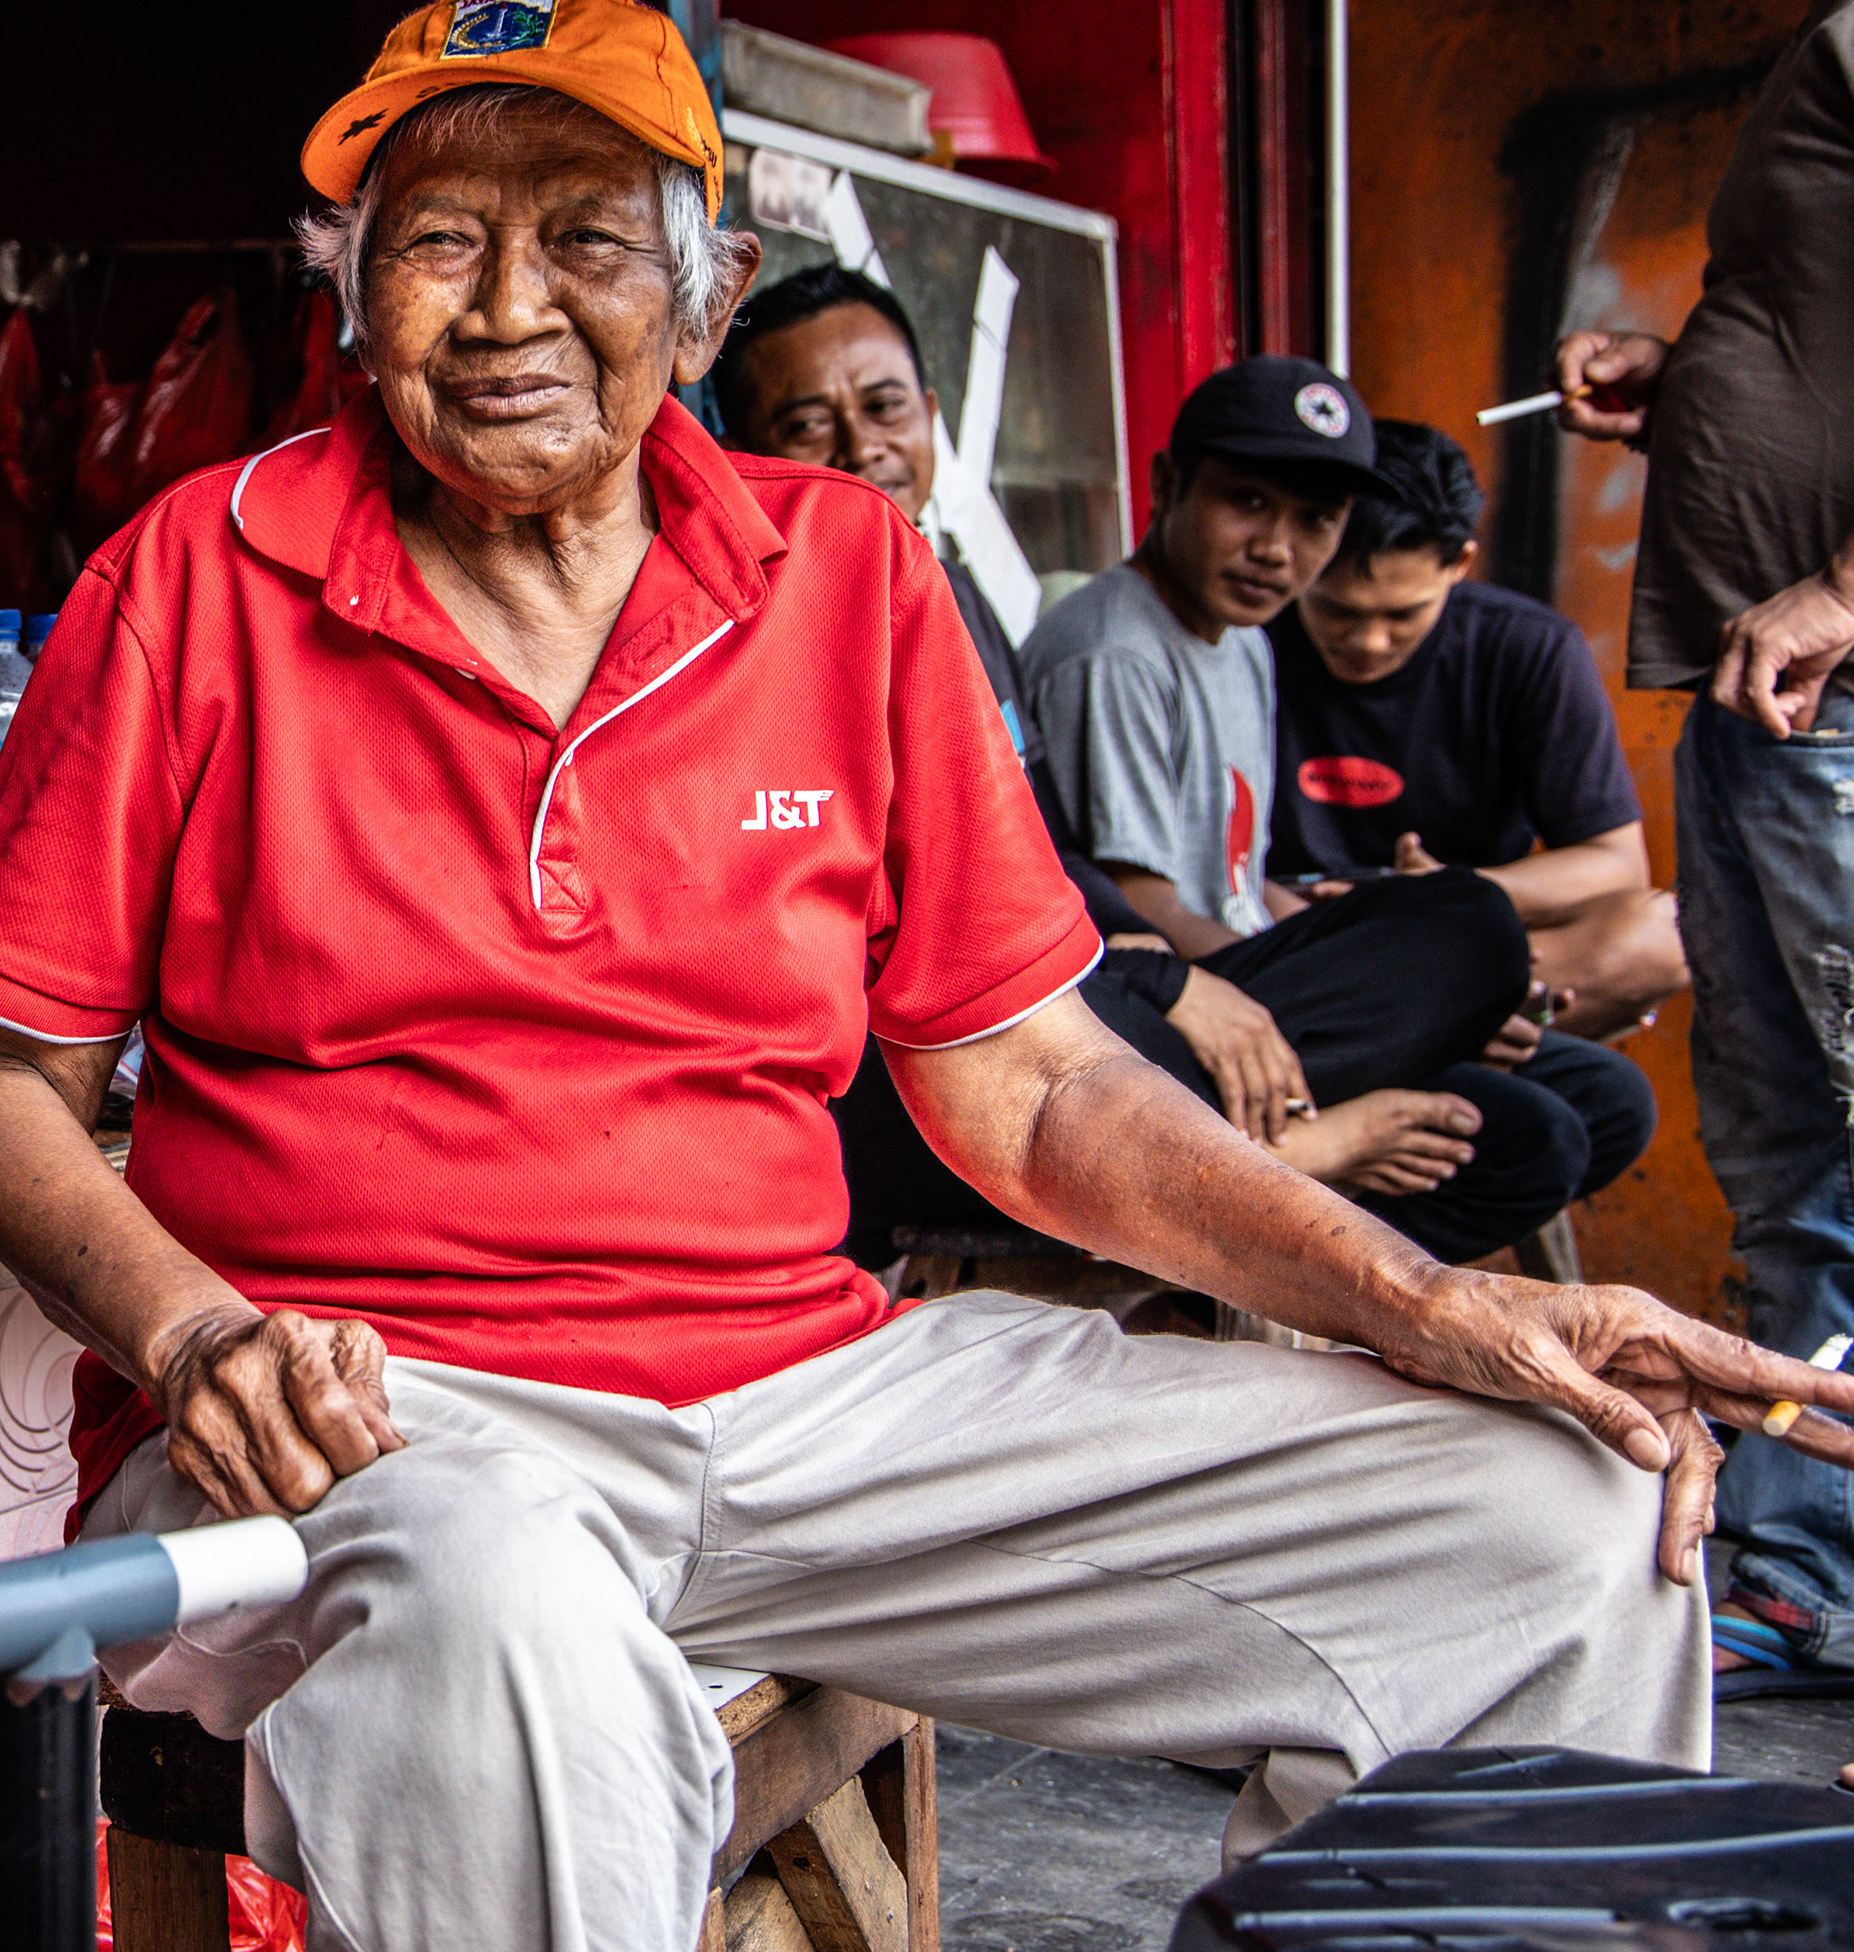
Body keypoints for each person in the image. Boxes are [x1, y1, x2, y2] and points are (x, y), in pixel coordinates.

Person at [0, 0, 1854, 1952]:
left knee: (1557, 1504)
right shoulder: (192, 574)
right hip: (371, 1425)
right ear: (351, 294)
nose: (503, 306)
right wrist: (195, 1328)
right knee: (500, 1616)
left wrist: (1449, 1303)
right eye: (433, 237)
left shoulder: (843, 579)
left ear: (705, 287)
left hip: (811, 1400)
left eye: (583, 234)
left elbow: (1033, 1089)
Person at [721, 274, 1553, 1263]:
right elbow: (905, 924)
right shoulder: (758, 634)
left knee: (1529, 1112)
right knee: (1470, 939)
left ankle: (1241, 1162)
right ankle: (1274, 1152)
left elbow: (1035, 851)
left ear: (932, 416)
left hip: (1071, 998)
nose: (864, 448)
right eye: (809, 422)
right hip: (933, 1067)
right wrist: (1159, 980)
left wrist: (1164, 968)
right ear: (741, 452)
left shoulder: (938, 589)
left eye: (886, 405)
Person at [1564, 0, 1854, 1750]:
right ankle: (1828, 1571)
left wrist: (1844, 584)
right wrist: (1686, 373)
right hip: (1794, 722)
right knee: (1803, 1166)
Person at [1015, 357, 1632, 1263]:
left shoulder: (1250, 640)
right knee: (1491, 992)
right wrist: (1393, 995)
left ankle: (1298, 1209)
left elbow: (1236, 879)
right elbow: (1138, 901)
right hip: (1168, 1016)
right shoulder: (1114, 650)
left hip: (1250, 978)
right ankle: (1278, 1245)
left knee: (1602, 1098)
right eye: (1249, 502)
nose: (1278, 547)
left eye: (1315, 520)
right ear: (1167, 485)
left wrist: (1366, 957)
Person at [1276, 419, 1690, 1039]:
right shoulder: (1244, 639)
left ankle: (1410, 1034)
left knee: (1665, 936)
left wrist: (1445, 893)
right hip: (1282, 941)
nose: (1367, 642)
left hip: (1450, 941)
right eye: (1335, 610)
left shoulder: (1530, 648)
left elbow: (1616, 866)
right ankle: (1443, 1037)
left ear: (1460, 562)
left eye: (1402, 615)